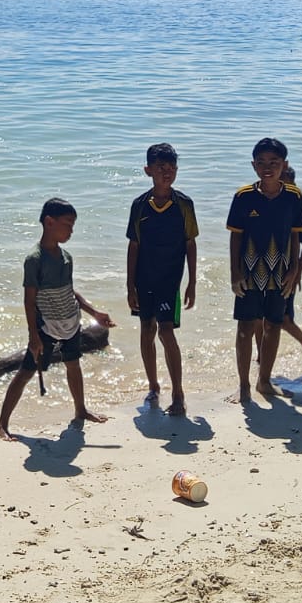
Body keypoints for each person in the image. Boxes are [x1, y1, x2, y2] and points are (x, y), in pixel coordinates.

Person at [0, 197, 115, 440]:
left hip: (71, 322)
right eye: (67, 224)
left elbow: (71, 292)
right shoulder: (35, 259)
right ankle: (2, 423)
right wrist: (33, 336)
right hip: (46, 327)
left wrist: (95, 313)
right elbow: (29, 301)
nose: (71, 230)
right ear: (49, 222)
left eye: (73, 226)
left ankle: (80, 410)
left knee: (74, 365)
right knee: (26, 372)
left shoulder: (66, 257)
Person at [227, 138, 302, 403]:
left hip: (280, 273)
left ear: (284, 165)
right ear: (253, 165)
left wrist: (294, 269)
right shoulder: (244, 196)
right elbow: (236, 237)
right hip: (249, 273)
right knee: (245, 327)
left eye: (274, 162)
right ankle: (243, 385)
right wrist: (234, 273)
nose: (267, 167)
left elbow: (296, 235)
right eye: (261, 162)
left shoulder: (293, 196)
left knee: (273, 326)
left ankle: (264, 381)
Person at [124, 143, 198, 415]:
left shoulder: (184, 204)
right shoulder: (139, 205)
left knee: (166, 331)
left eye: (171, 168)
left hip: (170, 279)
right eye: (160, 168)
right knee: (147, 329)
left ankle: (178, 393)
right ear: (148, 170)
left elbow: (190, 243)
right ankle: (153, 385)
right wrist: (129, 285)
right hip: (144, 278)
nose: (167, 173)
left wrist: (192, 281)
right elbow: (133, 245)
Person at [276, 164, 302, 371]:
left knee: (284, 320)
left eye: (289, 185)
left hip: (287, 272)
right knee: (261, 319)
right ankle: (260, 360)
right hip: (264, 270)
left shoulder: (296, 212)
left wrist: (297, 272)